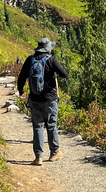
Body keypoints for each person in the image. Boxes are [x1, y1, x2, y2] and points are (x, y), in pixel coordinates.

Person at [18, 37, 68, 165]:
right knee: (51, 125)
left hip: (35, 98)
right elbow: (64, 74)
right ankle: (54, 153)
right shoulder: (51, 60)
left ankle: (38, 157)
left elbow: (22, 77)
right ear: (48, 49)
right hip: (50, 99)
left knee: (38, 126)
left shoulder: (30, 59)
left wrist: (21, 91)